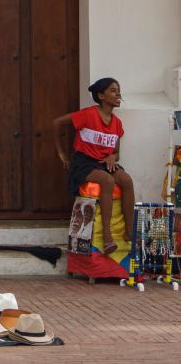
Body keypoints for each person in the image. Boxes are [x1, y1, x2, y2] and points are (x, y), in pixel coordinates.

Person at [53, 78, 135, 256]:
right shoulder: (88, 114)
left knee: (126, 180)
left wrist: (112, 156)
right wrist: (61, 153)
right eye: (113, 90)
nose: (118, 94)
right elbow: (56, 123)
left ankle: (130, 232)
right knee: (107, 181)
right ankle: (107, 238)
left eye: (118, 90)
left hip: (103, 163)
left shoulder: (117, 123)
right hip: (83, 163)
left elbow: (116, 152)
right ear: (101, 95)